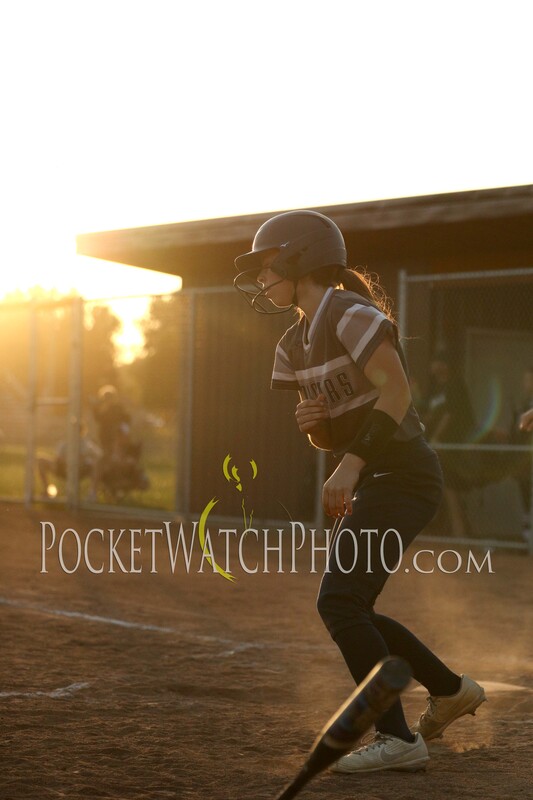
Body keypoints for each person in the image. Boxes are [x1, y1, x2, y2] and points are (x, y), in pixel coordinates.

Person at [234, 210, 486, 774]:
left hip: (406, 473)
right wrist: (317, 428)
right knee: (352, 605)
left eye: (268, 266)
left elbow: (396, 392)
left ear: (299, 260)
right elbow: (333, 431)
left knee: (339, 602)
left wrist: (347, 466)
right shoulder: (291, 343)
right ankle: (449, 691)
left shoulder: (347, 312)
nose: (261, 279)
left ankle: (398, 738)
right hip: (379, 474)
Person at [420, 354, 476, 537]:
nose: (432, 365)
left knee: (451, 487)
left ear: (444, 365)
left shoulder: (454, 384)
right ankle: (456, 530)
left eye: (436, 361)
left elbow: (449, 415)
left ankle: (460, 533)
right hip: (436, 447)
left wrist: (437, 437)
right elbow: (429, 413)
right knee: (444, 487)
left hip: (452, 445)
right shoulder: (436, 389)